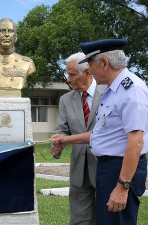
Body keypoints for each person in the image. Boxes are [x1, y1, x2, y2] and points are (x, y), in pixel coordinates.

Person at [51, 39, 148, 225]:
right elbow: (100, 134)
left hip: (119, 169)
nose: (90, 71)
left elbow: (136, 142)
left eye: (91, 65)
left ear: (104, 63)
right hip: (108, 168)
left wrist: (122, 187)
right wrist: (66, 140)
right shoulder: (113, 92)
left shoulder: (131, 91)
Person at [51, 52, 106, 225]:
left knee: (106, 219)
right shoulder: (65, 100)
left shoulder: (109, 92)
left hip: (105, 169)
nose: (68, 79)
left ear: (88, 73)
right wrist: (58, 143)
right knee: (79, 221)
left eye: (72, 74)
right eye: (68, 74)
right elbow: (62, 129)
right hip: (79, 173)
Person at [0, 18, 36, 98]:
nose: (7, 34)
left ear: (16, 37)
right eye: (2, 31)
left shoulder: (27, 63)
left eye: (11, 31)